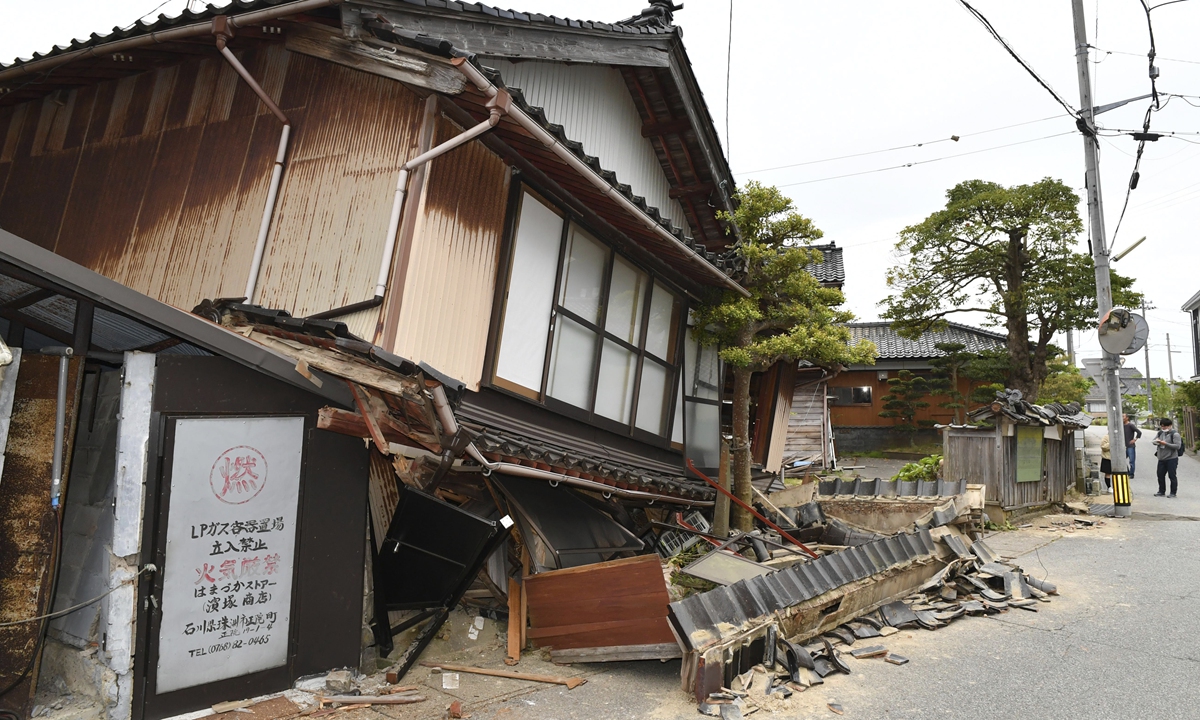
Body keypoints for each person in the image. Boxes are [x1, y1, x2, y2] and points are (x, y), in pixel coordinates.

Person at [1152, 417, 1183, 498]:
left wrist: (1165, 443)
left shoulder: (1175, 434)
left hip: (1171, 458)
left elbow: (1177, 446)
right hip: (1161, 458)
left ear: (1170, 426)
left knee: (1172, 475)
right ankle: (1161, 491)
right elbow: (1154, 440)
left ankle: (1173, 492)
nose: (1163, 428)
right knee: (1160, 475)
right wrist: (1157, 442)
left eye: (1165, 426)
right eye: (1162, 426)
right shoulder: (1160, 433)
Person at [1124, 413, 1142, 478]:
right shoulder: (1121, 426)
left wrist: (1135, 439)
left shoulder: (1130, 425)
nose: (1122, 418)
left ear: (1127, 418)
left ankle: (1131, 474)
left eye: (1123, 416)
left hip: (1130, 446)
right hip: (1123, 446)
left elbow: (1139, 432)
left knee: (1131, 461)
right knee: (1122, 460)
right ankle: (1127, 472)